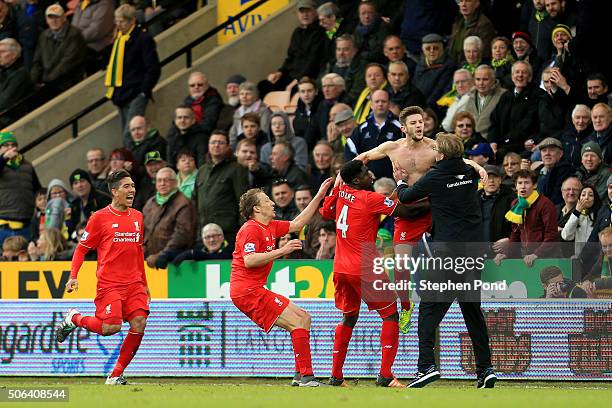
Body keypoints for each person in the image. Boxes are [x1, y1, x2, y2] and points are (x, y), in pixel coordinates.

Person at [353, 106, 486, 331]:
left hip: (434, 207)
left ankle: (450, 295)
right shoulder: (392, 147)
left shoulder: (435, 146)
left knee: (446, 256)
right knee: (401, 263)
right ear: (404, 128)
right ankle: (406, 306)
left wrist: (479, 168)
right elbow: (364, 157)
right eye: (414, 123)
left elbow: (459, 160)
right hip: (407, 209)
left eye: (421, 122)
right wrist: (342, 175)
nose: (419, 126)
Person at [392, 133, 495, 388]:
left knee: (428, 308)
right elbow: (467, 167)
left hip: (448, 254)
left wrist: (400, 181)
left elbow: (406, 198)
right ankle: (485, 369)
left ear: (440, 154)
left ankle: (426, 366)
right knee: (472, 312)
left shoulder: (436, 176)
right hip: (474, 254)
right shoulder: (470, 174)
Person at [319, 160, 417, 387]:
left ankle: (335, 376)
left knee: (349, 317)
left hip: (341, 268)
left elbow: (326, 211)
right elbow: (407, 212)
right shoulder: (369, 199)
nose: (370, 174)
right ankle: (385, 375)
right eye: (365, 172)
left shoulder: (342, 192)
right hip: (364, 268)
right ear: (356, 180)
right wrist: (433, 201)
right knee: (390, 315)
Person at [230, 177, 333, 386]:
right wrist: (282, 251)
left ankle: (300, 376)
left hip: (254, 289)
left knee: (303, 318)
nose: (273, 203)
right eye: (267, 200)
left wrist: (320, 196)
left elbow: (298, 223)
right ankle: (306, 377)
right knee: (299, 320)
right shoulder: (251, 229)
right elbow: (249, 261)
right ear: (257, 209)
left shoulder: (270, 226)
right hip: (247, 291)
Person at [55, 169, 150, 385]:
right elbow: (81, 249)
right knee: (111, 328)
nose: (132, 190)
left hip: (134, 283)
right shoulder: (99, 218)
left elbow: (138, 252)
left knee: (139, 323)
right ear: (114, 191)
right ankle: (75, 318)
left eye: (133, 186)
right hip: (110, 284)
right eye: (127, 186)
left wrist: (145, 284)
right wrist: (73, 276)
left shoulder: (138, 217)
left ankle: (115, 375)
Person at [105, 4, 161, 146]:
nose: (118, 25)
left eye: (122, 21)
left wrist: (144, 91)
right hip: (121, 93)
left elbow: (153, 67)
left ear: (132, 21)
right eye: (116, 21)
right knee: (126, 134)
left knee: (130, 135)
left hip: (136, 92)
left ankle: (130, 165)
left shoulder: (143, 38)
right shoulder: (119, 39)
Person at [258, 0, 326, 98]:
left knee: (294, 90)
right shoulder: (297, 32)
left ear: (315, 12)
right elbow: (290, 57)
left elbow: (313, 61)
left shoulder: (320, 32)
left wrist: (296, 81)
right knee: (263, 85)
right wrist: (280, 72)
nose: (305, 15)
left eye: (308, 11)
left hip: (307, 77)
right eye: (302, 12)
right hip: (290, 75)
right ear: (298, 14)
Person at [494, 169, 559, 267]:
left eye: (527, 183)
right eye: (520, 183)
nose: (523, 186)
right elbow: (516, 234)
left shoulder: (545, 204)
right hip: (526, 256)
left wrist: (536, 254)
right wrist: (507, 254)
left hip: (547, 256)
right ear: (516, 186)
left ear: (535, 185)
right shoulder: (515, 204)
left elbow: (551, 234)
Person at [194, 130, 249, 243]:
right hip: (204, 233)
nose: (216, 145)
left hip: (228, 232)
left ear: (228, 146)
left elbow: (244, 202)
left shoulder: (237, 169)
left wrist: (243, 231)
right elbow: (195, 200)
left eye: (220, 142)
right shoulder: (202, 171)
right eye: (213, 142)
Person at [142, 167, 196, 269]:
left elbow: (182, 235)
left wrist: (162, 255)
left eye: (166, 180)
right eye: (159, 180)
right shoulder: (150, 203)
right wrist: (142, 247)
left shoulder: (184, 203)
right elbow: (142, 229)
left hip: (173, 262)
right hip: (150, 260)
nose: (162, 183)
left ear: (175, 183)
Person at [31, 4, 86, 100]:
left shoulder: (74, 35)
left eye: (57, 17)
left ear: (64, 17)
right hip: (49, 82)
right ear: (46, 20)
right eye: (50, 18)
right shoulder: (43, 36)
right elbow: (37, 62)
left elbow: (67, 63)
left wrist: (47, 81)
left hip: (68, 82)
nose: (54, 21)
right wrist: (33, 81)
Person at [345, 89, 403, 180]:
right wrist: (361, 171)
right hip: (367, 182)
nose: (380, 104)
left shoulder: (400, 127)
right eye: (377, 101)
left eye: (383, 101)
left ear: (389, 104)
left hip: (394, 181)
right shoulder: (361, 129)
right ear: (371, 105)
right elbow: (350, 150)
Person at [0, 130, 41, 246]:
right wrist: (3, 159)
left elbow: (37, 189)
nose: (10, 148)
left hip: (27, 223)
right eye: (6, 145)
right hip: (4, 225)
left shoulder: (27, 165)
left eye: (13, 145)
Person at [462, 64, 507, 140]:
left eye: (485, 79)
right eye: (478, 79)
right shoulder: (469, 95)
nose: (481, 83)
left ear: (493, 80)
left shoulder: (504, 96)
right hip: (470, 141)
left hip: (492, 142)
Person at [412, 33, 456, 110]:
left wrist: (424, 108)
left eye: (435, 48)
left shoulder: (449, 66)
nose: (432, 51)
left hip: (433, 109)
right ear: (423, 50)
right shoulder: (420, 65)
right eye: (428, 48)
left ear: (442, 48)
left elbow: (439, 91)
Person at [71, 0, 114, 74]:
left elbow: (97, 31)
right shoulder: (81, 4)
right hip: (81, 45)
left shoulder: (105, 4)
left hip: (98, 48)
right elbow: (73, 27)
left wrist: (75, 40)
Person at [0, 38, 34, 129]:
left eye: (2, 52)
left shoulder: (21, 74)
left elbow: (5, 102)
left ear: (14, 54)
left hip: (12, 118)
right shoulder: (2, 71)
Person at [67, 169, 111, 238]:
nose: (79, 185)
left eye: (82, 181)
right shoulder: (74, 205)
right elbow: (71, 228)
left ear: (90, 183)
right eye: (76, 183)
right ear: (72, 188)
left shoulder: (102, 199)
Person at [561, 184, 602, 257]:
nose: (586, 197)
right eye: (583, 195)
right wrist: (577, 212)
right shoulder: (575, 215)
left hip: (597, 258)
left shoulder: (600, 214)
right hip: (579, 258)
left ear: (595, 199)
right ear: (579, 199)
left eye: (590, 195)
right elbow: (565, 235)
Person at [479, 165, 514, 249]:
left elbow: (519, 226)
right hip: (478, 252)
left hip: (502, 252)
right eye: (487, 177)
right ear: (481, 181)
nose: (491, 180)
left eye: (494, 177)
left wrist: (510, 240)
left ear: (500, 180)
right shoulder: (474, 200)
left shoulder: (511, 198)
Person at [229, 81, 271, 147]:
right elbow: (233, 133)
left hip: (258, 144)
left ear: (255, 96)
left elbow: (264, 132)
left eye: (248, 94)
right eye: (241, 94)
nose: (244, 96)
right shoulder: (238, 112)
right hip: (239, 144)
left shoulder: (263, 110)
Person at [535, 137, 574, 205]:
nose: (547, 153)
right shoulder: (541, 171)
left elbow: (556, 199)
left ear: (560, 154)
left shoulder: (565, 171)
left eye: (552, 150)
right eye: (544, 150)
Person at [183, 71, 223, 137]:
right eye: (192, 85)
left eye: (200, 85)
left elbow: (207, 125)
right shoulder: (187, 101)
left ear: (207, 85)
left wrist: (186, 130)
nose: (196, 87)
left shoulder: (214, 100)